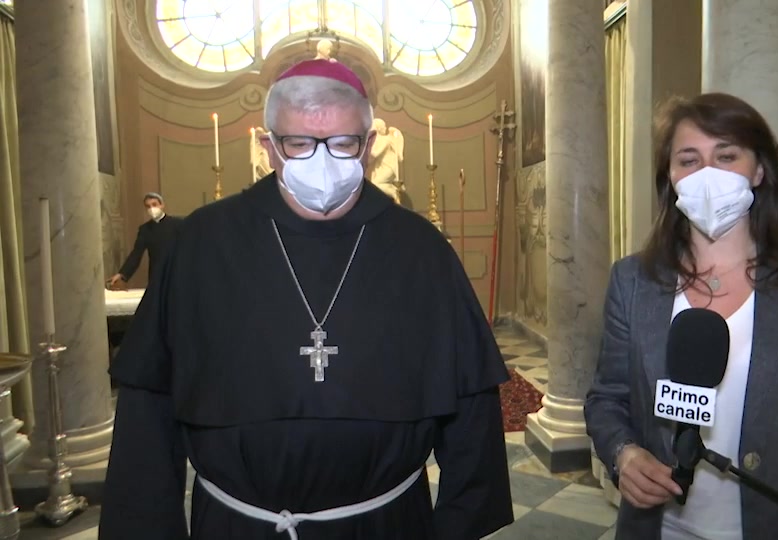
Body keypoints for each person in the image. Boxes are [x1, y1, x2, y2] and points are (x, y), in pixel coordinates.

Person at [100, 59, 513, 539]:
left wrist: (457, 526)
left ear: (370, 146)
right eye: (298, 143)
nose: (323, 161)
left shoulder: (421, 249)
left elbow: (472, 410)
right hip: (239, 526)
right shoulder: (201, 245)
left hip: (387, 525)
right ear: (268, 148)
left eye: (342, 143)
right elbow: (148, 405)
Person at [584, 93, 778, 540]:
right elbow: (607, 398)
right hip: (659, 527)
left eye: (726, 156)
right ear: (670, 175)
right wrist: (623, 454)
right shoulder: (632, 281)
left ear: (758, 169)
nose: (707, 175)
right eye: (689, 159)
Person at [106, 192, 182, 289]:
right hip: (156, 274)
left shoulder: (178, 225)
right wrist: (122, 274)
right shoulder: (145, 229)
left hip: (177, 270)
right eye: (148, 206)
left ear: (162, 205)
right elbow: (136, 254)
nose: (151, 208)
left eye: (154, 204)